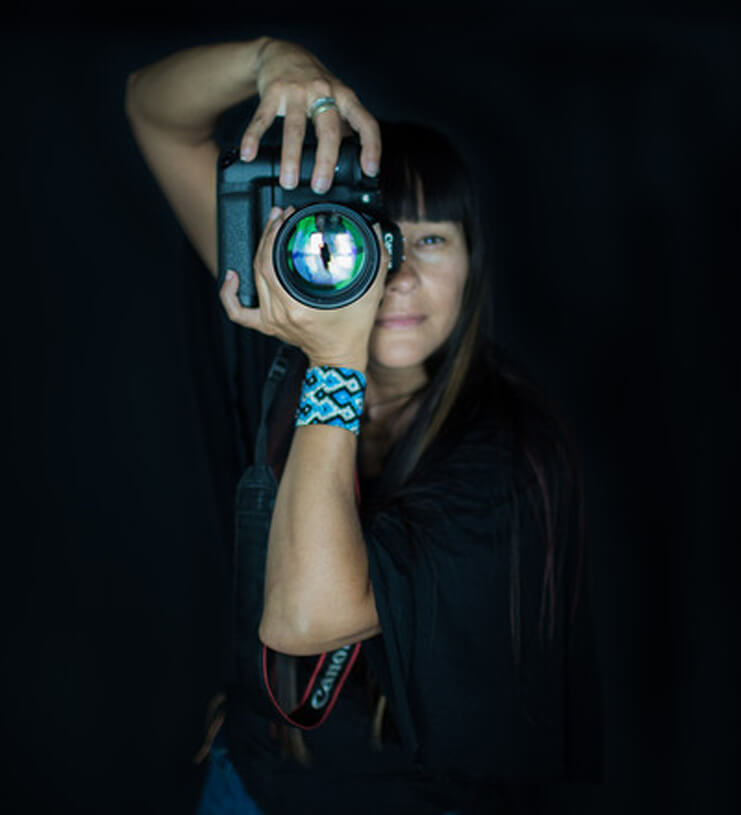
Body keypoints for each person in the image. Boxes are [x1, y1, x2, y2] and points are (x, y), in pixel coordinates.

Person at [125, 35, 602, 814]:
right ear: (304, 246)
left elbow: (306, 619)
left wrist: (336, 362)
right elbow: (151, 110)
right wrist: (265, 61)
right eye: (373, 236)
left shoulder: (512, 450)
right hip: (251, 781)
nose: (398, 272)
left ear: (474, 264)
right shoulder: (280, 315)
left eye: (432, 239)